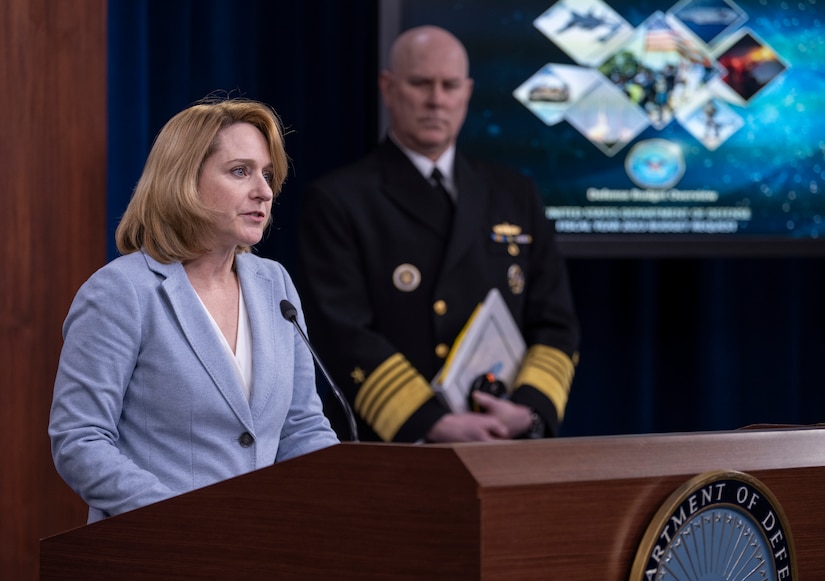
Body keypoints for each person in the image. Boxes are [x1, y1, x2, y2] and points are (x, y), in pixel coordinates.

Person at [49, 97, 339, 523]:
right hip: (158, 549)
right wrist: (184, 521)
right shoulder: (122, 291)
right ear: (184, 179)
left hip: (262, 547)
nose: (263, 191)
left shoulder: (274, 283)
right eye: (240, 171)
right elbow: (79, 439)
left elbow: (302, 428)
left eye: (268, 175)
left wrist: (348, 497)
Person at [298, 26, 580, 443]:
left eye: (449, 86)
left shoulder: (515, 193)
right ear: (388, 88)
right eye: (420, 84)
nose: (436, 100)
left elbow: (555, 321)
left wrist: (528, 409)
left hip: (505, 446)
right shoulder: (338, 200)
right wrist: (431, 422)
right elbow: (340, 334)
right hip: (397, 450)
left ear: (466, 92)